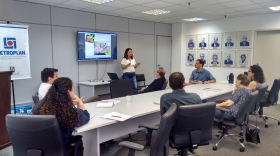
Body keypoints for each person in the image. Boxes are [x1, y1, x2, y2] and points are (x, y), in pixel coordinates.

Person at [33, 77, 89, 148]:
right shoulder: (70, 113)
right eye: (73, 89)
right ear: (69, 92)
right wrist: (79, 102)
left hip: (39, 148)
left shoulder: (38, 107)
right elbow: (86, 116)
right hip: (62, 150)